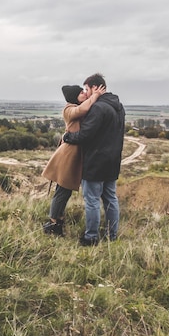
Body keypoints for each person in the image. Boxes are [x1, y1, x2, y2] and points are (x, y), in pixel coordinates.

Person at [63, 73, 125, 246]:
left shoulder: (98, 108)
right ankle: (112, 235)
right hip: (113, 161)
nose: (85, 93)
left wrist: (68, 137)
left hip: (95, 162)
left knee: (92, 201)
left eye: (86, 89)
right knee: (111, 199)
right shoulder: (119, 107)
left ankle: (91, 237)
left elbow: (85, 135)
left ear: (95, 88)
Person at [41, 84, 106, 236]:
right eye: (81, 92)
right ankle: (53, 224)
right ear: (74, 97)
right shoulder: (69, 109)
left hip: (73, 155)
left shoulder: (79, 106)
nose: (84, 93)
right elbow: (81, 110)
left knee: (65, 191)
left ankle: (57, 222)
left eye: (84, 91)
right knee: (62, 191)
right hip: (68, 156)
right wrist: (95, 95)